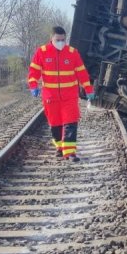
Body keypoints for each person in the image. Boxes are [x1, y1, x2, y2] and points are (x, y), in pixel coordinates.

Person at [27, 26, 93, 161]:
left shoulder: (72, 52)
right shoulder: (42, 52)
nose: (61, 43)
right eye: (58, 40)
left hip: (69, 97)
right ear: (51, 39)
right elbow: (34, 72)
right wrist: (33, 85)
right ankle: (60, 147)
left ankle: (70, 153)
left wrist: (89, 89)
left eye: (63, 40)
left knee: (70, 123)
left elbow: (82, 73)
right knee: (55, 125)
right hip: (51, 98)